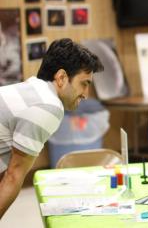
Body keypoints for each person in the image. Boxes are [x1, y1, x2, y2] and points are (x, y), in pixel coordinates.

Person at [0, 38, 104, 218]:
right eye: (84, 83)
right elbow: (13, 176)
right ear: (62, 77)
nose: (86, 94)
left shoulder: (34, 87)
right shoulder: (49, 107)